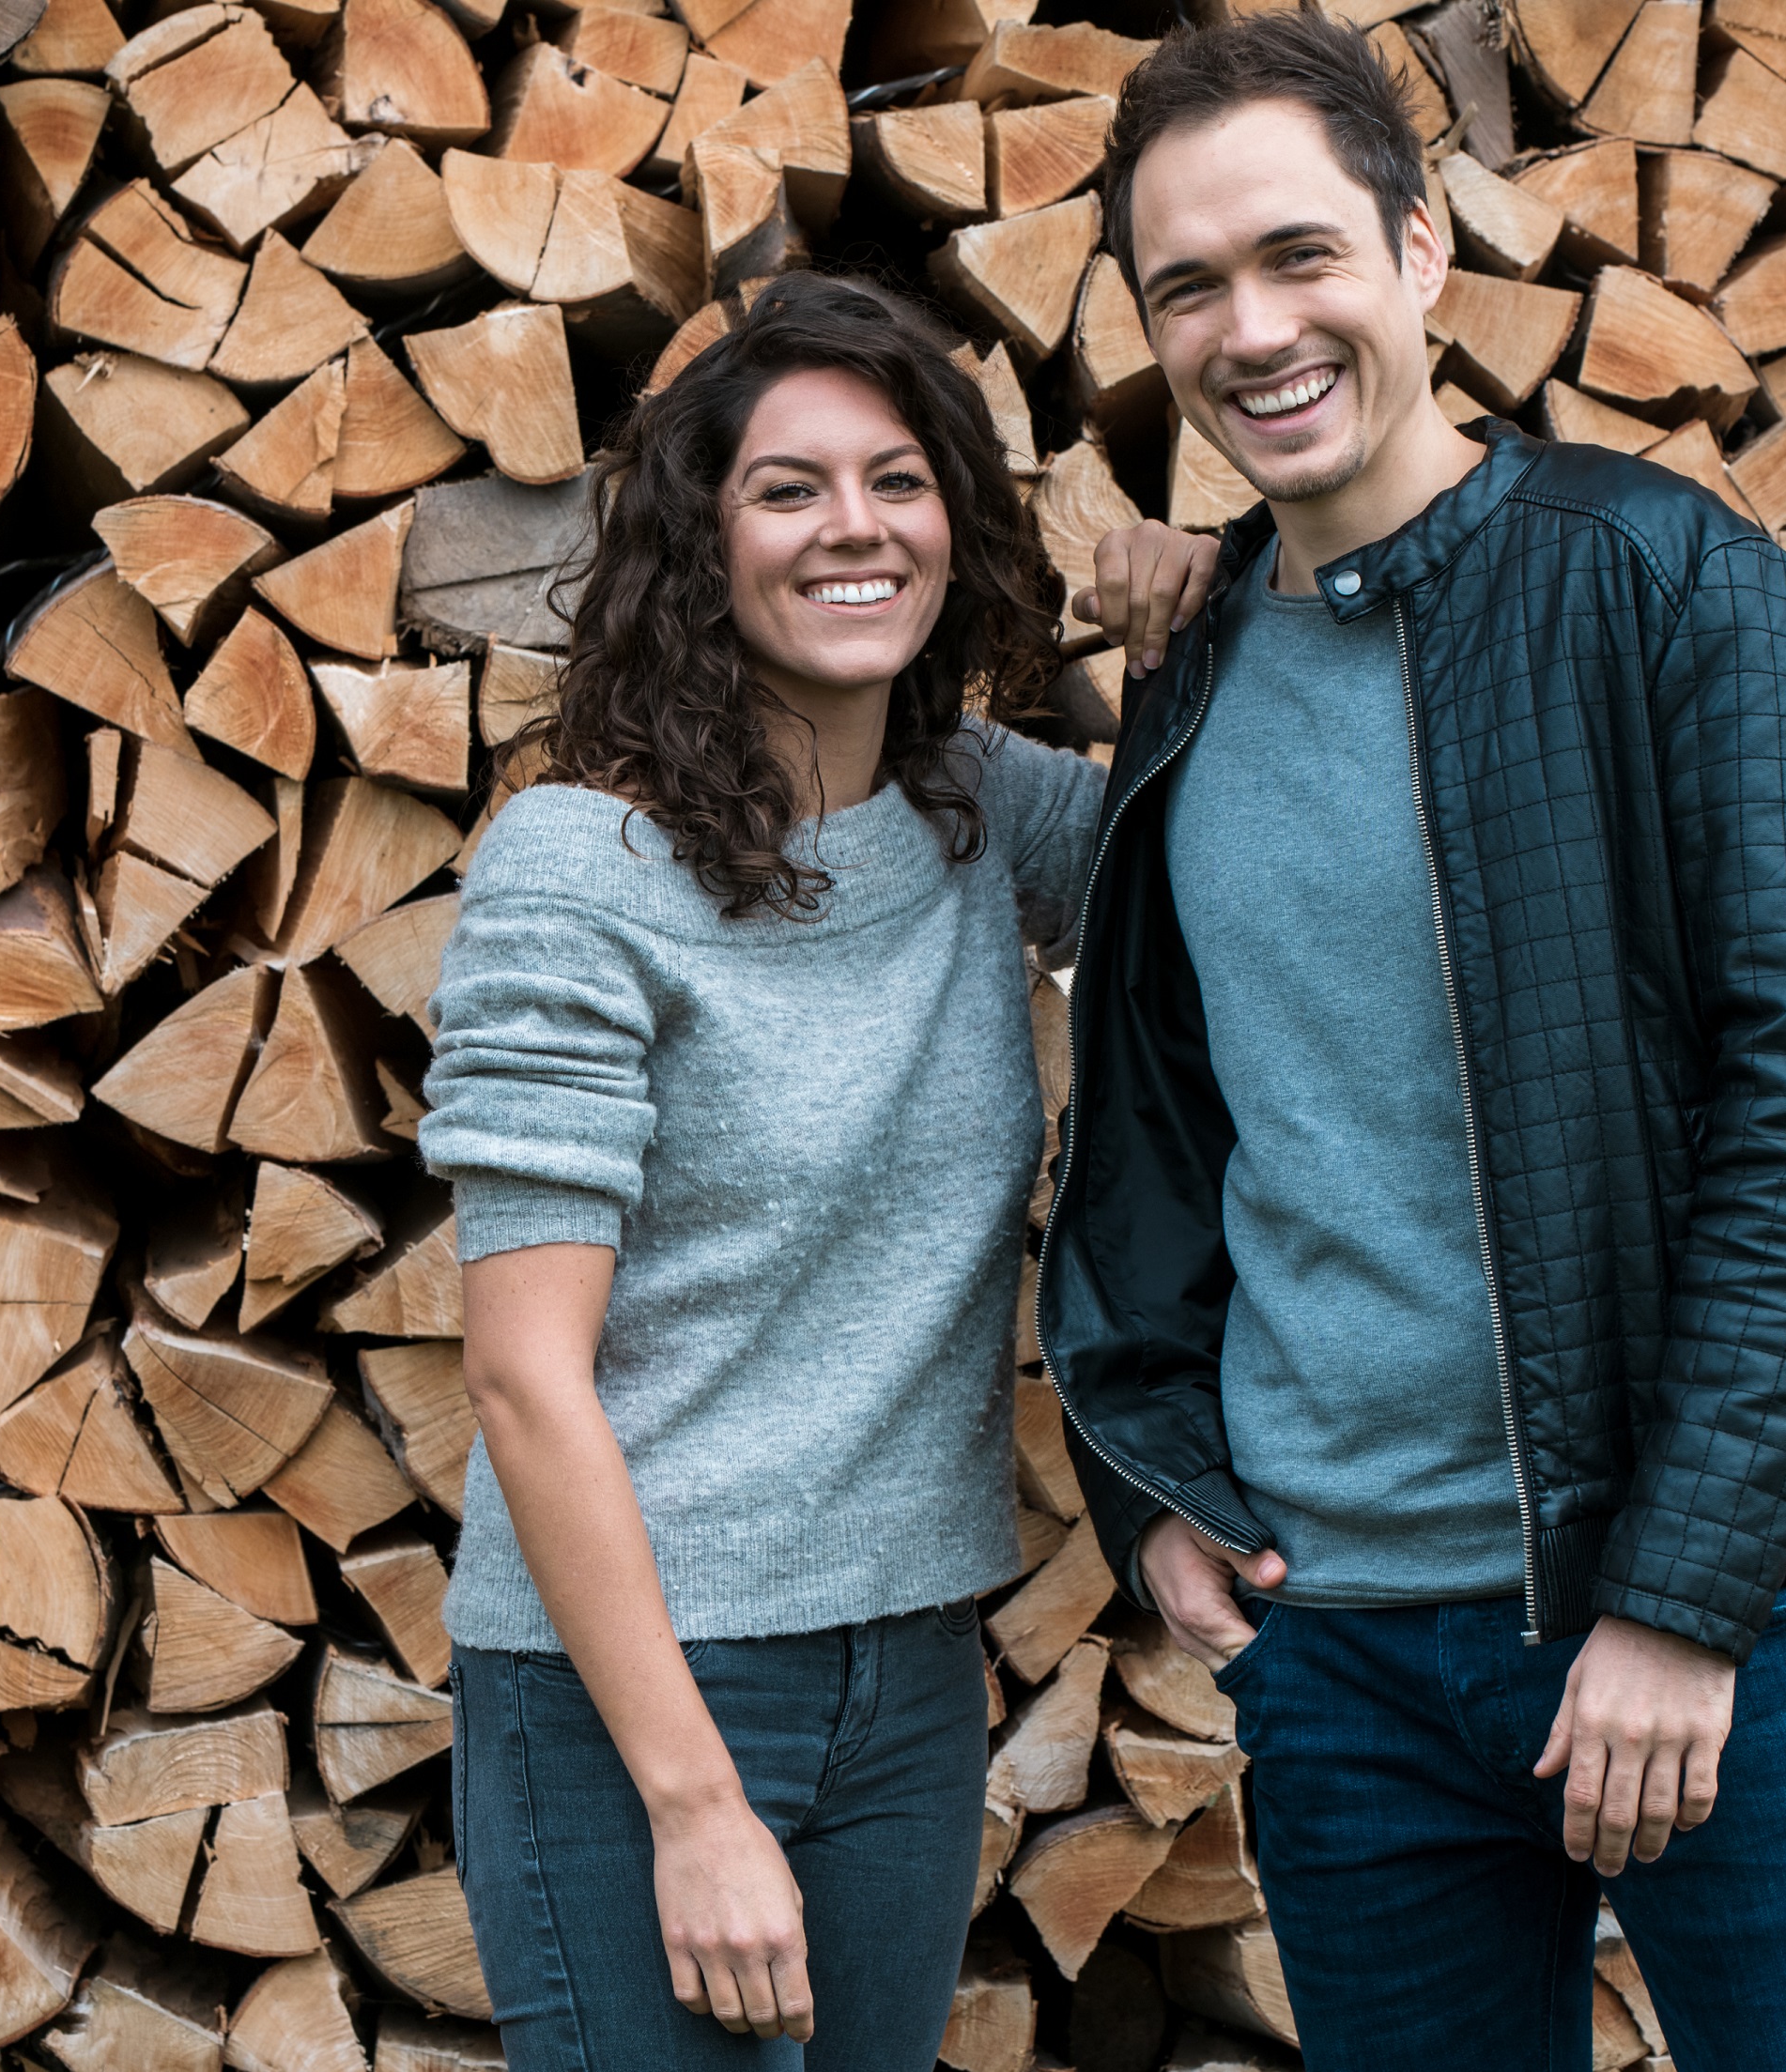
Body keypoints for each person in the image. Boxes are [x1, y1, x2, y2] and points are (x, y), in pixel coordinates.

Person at [1043, 10, 1786, 2067]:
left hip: (1693, 1622)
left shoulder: (1665, 583)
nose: (1249, 328)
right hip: (1339, 1650)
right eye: (1186, 285)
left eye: (1296, 256)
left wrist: (1680, 1597)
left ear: (1420, 251)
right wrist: (1153, 1479)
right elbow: (1177, 1130)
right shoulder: (1180, 679)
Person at [419, 271, 1102, 2070]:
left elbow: (1252, 859)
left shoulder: (980, 813)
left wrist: (1213, 601)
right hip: (636, 1691)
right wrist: (690, 1802)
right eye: (787, 488)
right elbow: (521, 1371)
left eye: (896, 477)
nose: (851, 528)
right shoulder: (578, 872)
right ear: (697, 545)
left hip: (909, 1671)